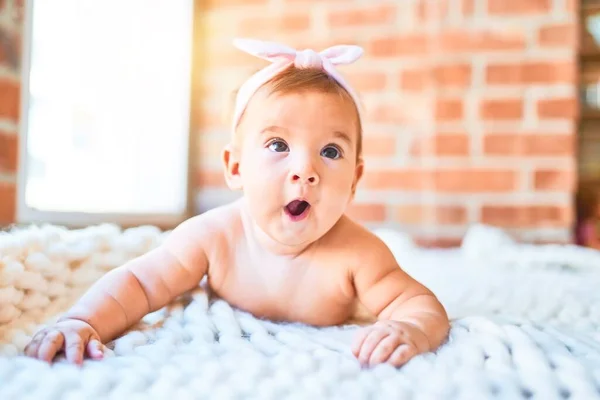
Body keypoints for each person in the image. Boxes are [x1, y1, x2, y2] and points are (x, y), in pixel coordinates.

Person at [24, 38, 450, 368]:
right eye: (278, 144)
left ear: (355, 180)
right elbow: (139, 283)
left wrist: (410, 328)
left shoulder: (359, 254)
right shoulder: (212, 236)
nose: (305, 170)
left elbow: (419, 305)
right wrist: (84, 321)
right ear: (236, 166)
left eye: (331, 152)